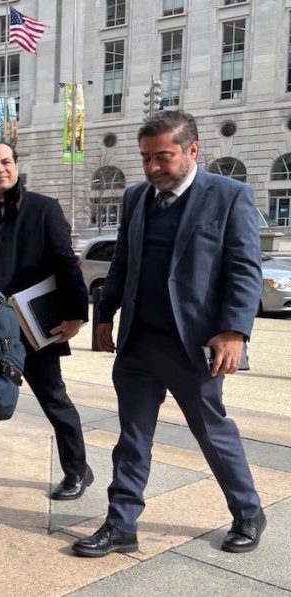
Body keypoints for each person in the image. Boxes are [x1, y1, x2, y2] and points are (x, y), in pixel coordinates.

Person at [73, 110, 266, 557]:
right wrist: (105, 312)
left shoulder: (230, 196)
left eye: (164, 157)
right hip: (139, 341)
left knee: (212, 433)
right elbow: (122, 259)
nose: (153, 168)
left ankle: (249, 512)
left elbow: (245, 269)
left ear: (193, 150)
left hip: (194, 346)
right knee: (132, 438)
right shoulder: (137, 198)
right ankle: (122, 524)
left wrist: (235, 330)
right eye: (146, 158)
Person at [0, 141, 92, 501]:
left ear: (16, 167)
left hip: (34, 326)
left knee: (53, 398)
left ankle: (77, 470)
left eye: (6, 162)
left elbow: (66, 262)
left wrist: (75, 315)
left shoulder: (43, 209)